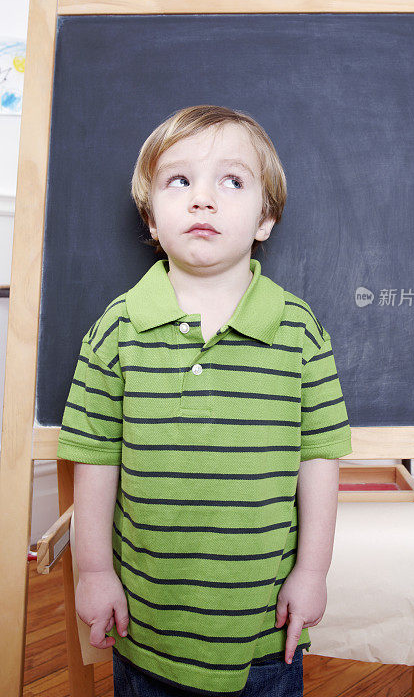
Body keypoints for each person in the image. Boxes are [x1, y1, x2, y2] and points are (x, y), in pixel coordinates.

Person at [57, 104, 353, 696]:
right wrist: (93, 572)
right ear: (151, 216)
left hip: (265, 638)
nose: (203, 199)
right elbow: (94, 461)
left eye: (232, 181)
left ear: (266, 217)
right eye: (180, 180)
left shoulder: (299, 332)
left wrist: (312, 572)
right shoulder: (117, 331)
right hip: (146, 631)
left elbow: (318, 461)